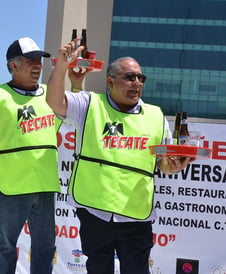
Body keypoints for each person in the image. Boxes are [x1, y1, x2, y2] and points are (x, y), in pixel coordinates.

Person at [47, 40, 193, 274]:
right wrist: (62, 67)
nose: (137, 83)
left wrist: (174, 166)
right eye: (129, 77)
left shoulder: (155, 116)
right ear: (110, 82)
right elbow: (54, 102)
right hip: (95, 211)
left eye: (140, 78)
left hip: (136, 216)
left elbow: (164, 163)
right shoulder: (90, 104)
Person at [0, 37, 61, 274]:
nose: (38, 65)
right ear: (14, 65)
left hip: (44, 183)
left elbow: (71, 108)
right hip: (12, 185)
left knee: (45, 248)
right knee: (6, 248)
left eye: (39, 61)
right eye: (31, 60)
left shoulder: (49, 94)